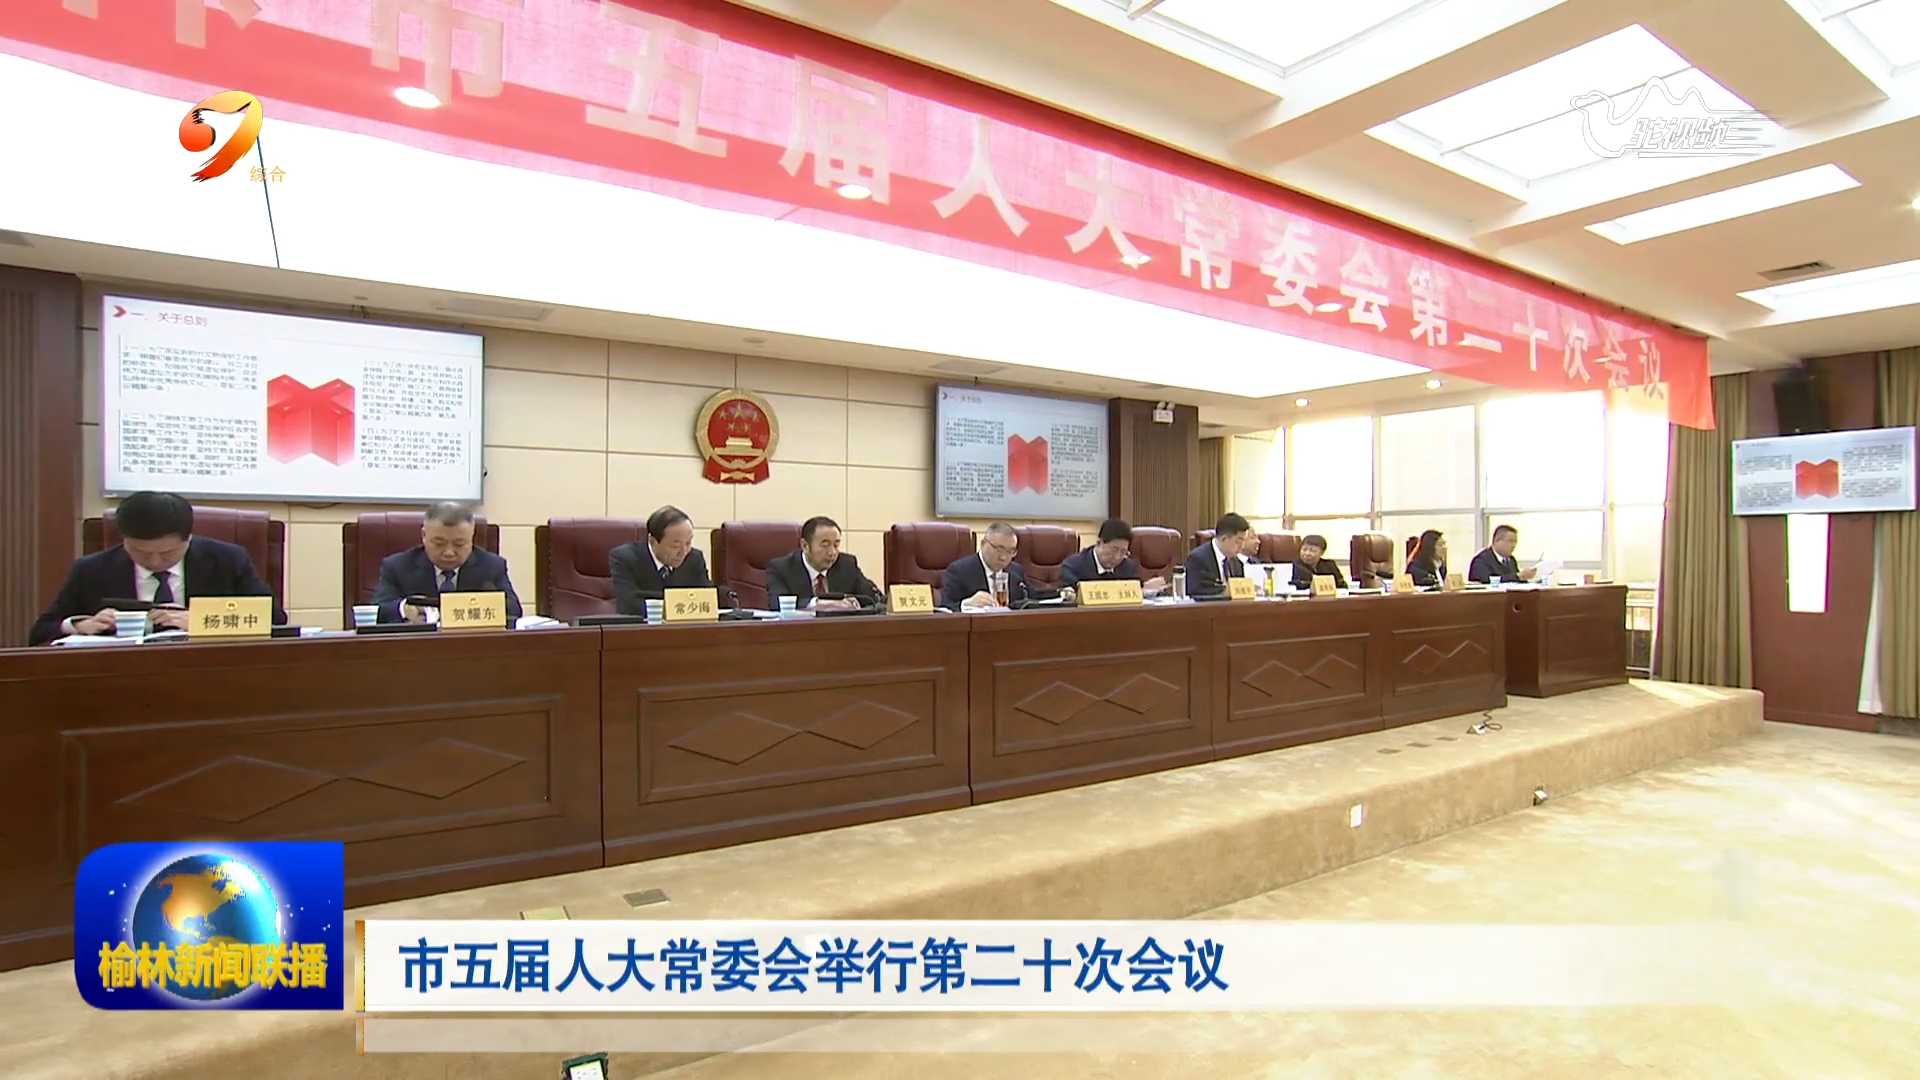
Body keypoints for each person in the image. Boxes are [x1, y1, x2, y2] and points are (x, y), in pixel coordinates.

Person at [30, 490, 283, 644]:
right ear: (124, 539)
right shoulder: (91, 569)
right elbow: (40, 632)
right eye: (140, 552)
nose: (154, 561)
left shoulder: (227, 560)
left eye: (167, 553)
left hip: (208, 672)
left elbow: (275, 621)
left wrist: (202, 622)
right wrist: (80, 625)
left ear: (188, 539)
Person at [371, 502, 524, 624]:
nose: (449, 552)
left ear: (471, 538)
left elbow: (513, 611)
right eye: (439, 543)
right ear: (424, 536)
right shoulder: (397, 566)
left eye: (459, 544)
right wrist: (403, 609)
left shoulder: (492, 566)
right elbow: (376, 612)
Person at [610, 505, 713, 614]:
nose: (683, 552)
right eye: (675, 546)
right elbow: (629, 604)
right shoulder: (625, 558)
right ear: (653, 541)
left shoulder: (694, 558)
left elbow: (707, 600)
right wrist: (682, 600)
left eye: (688, 543)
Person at [765, 516, 881, 611]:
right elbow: (777, 604)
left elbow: (874, 599)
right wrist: (818, 604)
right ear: (805, 546)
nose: (832, 552)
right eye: (825, 545)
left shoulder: (847, 564)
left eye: (836, 545)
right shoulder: (782, 568)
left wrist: (855, 602)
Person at [940, 522, 1061, 609]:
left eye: (1010, 551)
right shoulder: (959, 571)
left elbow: (1033, 597)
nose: (1003, 557)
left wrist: (1062, 593)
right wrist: (967, 603)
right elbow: (944, 608)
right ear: (983, 544)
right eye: (999, 549)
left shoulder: (1016, 571)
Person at [1059, 519, 1168, 594]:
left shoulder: (1128, 567)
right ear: (1099, 543)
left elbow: (1136, 592)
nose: (1117, 557)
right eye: (1114, 550)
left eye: (1123, 552)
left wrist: (1146, 589)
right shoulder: (1073, 566)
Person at [1181, 512, 1254, 597]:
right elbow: (1197, 591)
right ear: (1224, 538)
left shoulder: (1237, 562)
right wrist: (1225, 591)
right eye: (1239, 541)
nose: (1242, 546)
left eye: (1244, 541)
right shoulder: (1198, 559)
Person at [1468, 524, 1537, 584]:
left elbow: (1516, 580)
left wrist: (1525, 577)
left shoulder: (1511, 560)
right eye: (1510, 541)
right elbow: (1487, 581)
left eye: (1515, 542)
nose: (1514, 545)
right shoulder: (1481, 560)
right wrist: (1518, 576)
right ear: (1497, 541)